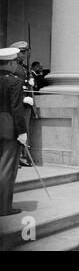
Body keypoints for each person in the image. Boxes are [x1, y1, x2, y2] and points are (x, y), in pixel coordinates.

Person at [0, 48, 28, 216]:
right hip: (8, 126)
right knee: (6, 169)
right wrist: (22, 132)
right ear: (10, 63)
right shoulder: (14, 82)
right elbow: (17, 110)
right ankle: (3, 207)